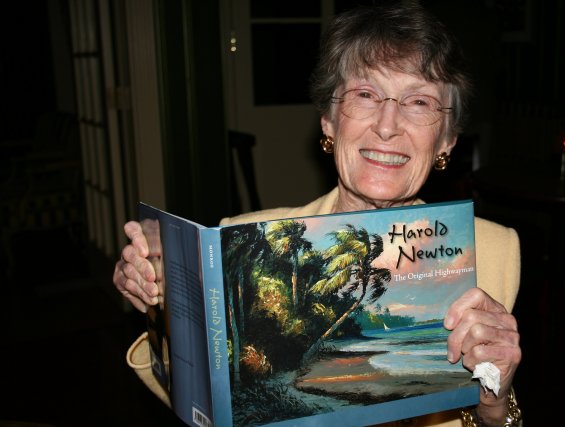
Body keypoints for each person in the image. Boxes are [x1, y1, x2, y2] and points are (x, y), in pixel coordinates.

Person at [113, 2, 522, 426]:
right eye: (365, 94)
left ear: (447, 140)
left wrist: (494, 405)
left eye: (419, 102)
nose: (387, 126)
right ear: (328, 120)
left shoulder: (493, 251)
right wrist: (163, 305)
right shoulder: (242, 239)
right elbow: (211, 403)